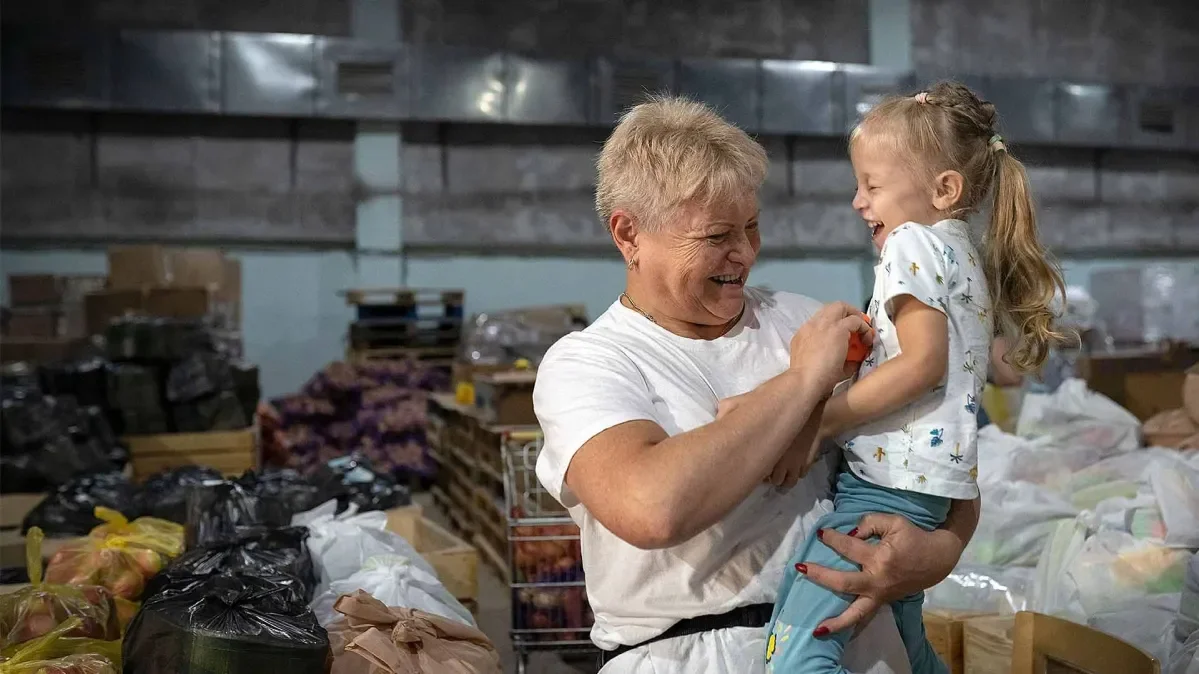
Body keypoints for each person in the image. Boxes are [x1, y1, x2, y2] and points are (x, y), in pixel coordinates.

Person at [531, 95, 982, 673]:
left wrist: (940, 551)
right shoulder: (590, 363)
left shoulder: (802, 320)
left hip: (853, 638)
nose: (743, 253)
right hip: (691, 654)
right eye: (717, 235)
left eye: (751, 226)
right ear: (629, 235)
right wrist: (803, 381)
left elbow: (939, 444)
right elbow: (651, 509)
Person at [765, 82, 1067, 674]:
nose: (858, 202)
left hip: (885, 486)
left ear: (944, 188)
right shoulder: (962, 253)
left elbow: (924, 366)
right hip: (928, 492)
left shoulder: (911, 242)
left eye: (872, 186)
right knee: (909, 649)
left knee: (794, 657)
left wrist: (815, 422)